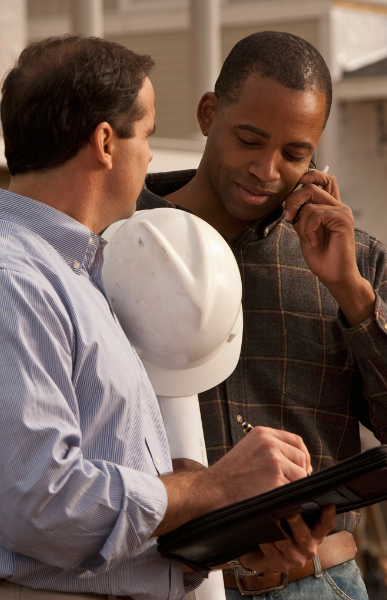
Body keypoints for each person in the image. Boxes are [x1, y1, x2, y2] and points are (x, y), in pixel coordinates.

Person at [0, 35, 334, 600]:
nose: (150, 157)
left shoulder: (67, 276)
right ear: (106, 141)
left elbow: (86, 495)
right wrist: (214, 487)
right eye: (146, 133)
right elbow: (41, 506)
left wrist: (230, 515)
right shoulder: (3, 282)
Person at [137, 31, 387, 599]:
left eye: (295, 154)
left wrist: (350, 292)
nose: (266, 169)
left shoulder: (354, 260)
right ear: (208, 114)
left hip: (320, 584)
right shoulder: (124, 244)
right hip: (171, 586)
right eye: (249, 139)